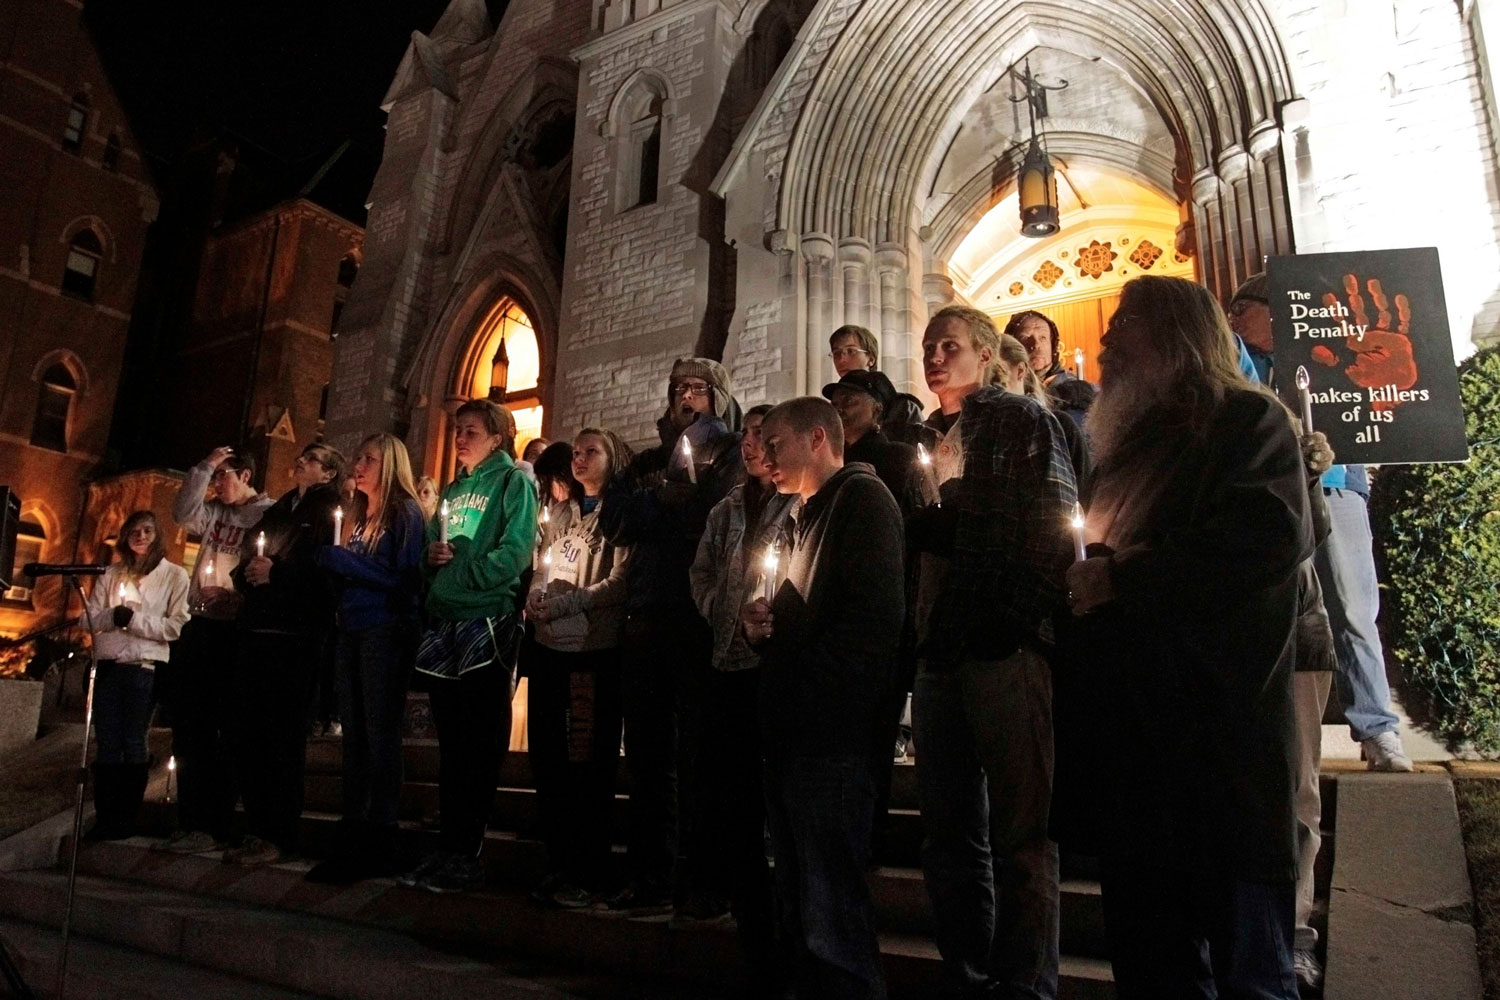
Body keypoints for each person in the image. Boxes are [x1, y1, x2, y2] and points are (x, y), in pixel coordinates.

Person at [1066, 275, 1310, 999]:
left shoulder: (1247, 422)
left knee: (1248, 974)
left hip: (1217, 748)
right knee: (1154, 968)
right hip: (1137, 760)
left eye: (1126, 322)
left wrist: (1124, 580)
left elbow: (1264, 538)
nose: (1105, 341)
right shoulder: (1125, 446)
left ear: (1176, 331)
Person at [907, 307, 1077, 1000]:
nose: (935, 356)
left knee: (1022, 836)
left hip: (1003, 646)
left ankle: (1025, 982)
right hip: (938, 648)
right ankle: (965, 970)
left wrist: (1012, 619)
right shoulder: (919, 438)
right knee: (948, 834)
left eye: (950, 345)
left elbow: (1053, 524)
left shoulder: (1018, 420)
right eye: (928, 347)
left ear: (987, 354)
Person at [740, 396, 902, 999]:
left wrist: (804, 690)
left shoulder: (863, 502)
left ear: (816, 438)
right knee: (802, 897)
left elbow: (871, 628)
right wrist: (763, 630)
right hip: (792, 730)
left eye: (774, 443)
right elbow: (798, 622)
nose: (762, 455)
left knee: (833, 903)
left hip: (832, 737)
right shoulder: (799, 514)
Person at [1227, 273, 1414, 772]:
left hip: (1333, 484)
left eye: (1242, 308)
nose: (1233, 319)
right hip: (1272, 493)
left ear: (1276, 309)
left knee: (1352, 607)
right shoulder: (1240, 361)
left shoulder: (1327, 354)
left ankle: (1377, 730)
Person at [598, 357, 743, 914]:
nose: (686, 397)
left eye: (698, 389)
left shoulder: (729, 452)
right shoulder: (651, 459)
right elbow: (616, 518)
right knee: (648, 753)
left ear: (718, 396)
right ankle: (650, 872)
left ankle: (703, 877)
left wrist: (656, 503)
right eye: (678, 388)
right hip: (645, 612)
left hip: (695, 615)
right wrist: (661, 497)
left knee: (700, 753)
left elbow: (708, 515)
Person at [400, 400, 536, 894]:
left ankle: (468, 851)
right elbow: (432, 552)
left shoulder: (511, 482)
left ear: (497, 437)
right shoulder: (455, 488)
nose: (460, 438)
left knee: (478, 745)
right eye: (457, 430)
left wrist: (466, 575)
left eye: (471, 430)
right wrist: (431, 561)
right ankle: (447, 846)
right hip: (445, 621)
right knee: (453, 746)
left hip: (486, 620)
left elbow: (517, 550)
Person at [688, 403, 795, 982]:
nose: (752, 445)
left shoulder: (797, 500)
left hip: (773, 666)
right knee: (734, 799)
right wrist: (720, 610)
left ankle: (785, 928)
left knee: (775, 798)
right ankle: (751, 920)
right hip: (726, 663)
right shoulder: (727, 508)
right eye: (748, 436)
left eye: (763, 435)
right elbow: (702, 572)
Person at [305, 433, 427, 885]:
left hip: (386, 630)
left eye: (369, 459)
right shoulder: (359, 516)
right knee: (354, 732)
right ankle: (352, 827)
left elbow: (404, 578)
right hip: (352, 629)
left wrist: (344, 564)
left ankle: (381, 829)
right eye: (357, 457)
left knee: (379, 731)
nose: (358, 465)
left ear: (390, 465)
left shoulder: (405, 513)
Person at [525, 428, 633, 909]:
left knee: (585, 762)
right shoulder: (563, 512)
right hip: (550, 647)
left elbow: (619, 582)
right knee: (549, 759)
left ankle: (588, 868)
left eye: (593, 451)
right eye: (578, 451)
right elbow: (543, 564)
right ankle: (558, 861)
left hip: (593, 650)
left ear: (614, 459)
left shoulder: (622, 513)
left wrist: (571, 605)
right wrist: (535, 596)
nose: (581, 458)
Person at [225, 442, 346, 866]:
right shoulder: (279, 510)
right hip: (258, 628)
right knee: (251, 733)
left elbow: (326, 570)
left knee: (281, 736)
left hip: (295, 635)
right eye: (301, 457)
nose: (300, 462)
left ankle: (277, 832)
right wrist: (247, 575)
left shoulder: (329, 512)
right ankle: (256, 826)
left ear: (329, 474)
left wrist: (279, 572)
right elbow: (249, 555)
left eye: (311, 460)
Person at [156, 446, 274, 854]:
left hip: (237, 632)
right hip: (200, 626)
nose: (215, 485)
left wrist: (237, 599)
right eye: (213, 477)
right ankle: (191, 821)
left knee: (226, 730)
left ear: (244, 474)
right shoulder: (214, 514)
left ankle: (217, 824)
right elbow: (181, 511)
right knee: (189, 727)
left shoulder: (267, 513)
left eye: (222, 476)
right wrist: (203, 466)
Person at [84, 511, 190, 841]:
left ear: (157, 535)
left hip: (144, 668)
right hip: (110, 665)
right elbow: (88, 619)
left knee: (133, 740)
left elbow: (174, 626)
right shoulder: (111, 573)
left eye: (147, 530)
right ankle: (105, 817)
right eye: (134, 531)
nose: (140, 536)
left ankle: (126, 817)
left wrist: (135, 620)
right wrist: (114, 616)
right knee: (107, 743)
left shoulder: (173, 576)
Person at [1005, 310, 1096, 427]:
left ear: (1052, 345)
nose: (1036, 345)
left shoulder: (1079, 389)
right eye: (1025, 337)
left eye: (1043, 338)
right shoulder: (1003, 390)